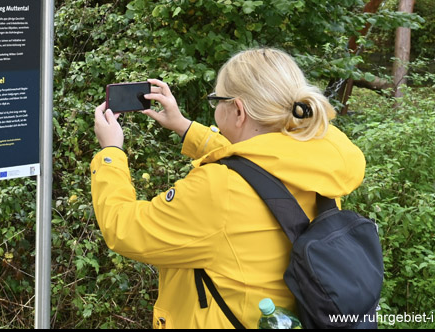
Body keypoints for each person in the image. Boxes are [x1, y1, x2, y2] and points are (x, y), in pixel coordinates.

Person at [90, 47, 367, 329]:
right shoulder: (315, 157)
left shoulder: (219, 188)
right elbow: (259, 166)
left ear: (237, 110)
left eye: (216, 100)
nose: (214, 107)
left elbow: (125, 228)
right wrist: (184, 127)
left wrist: (110, 152)